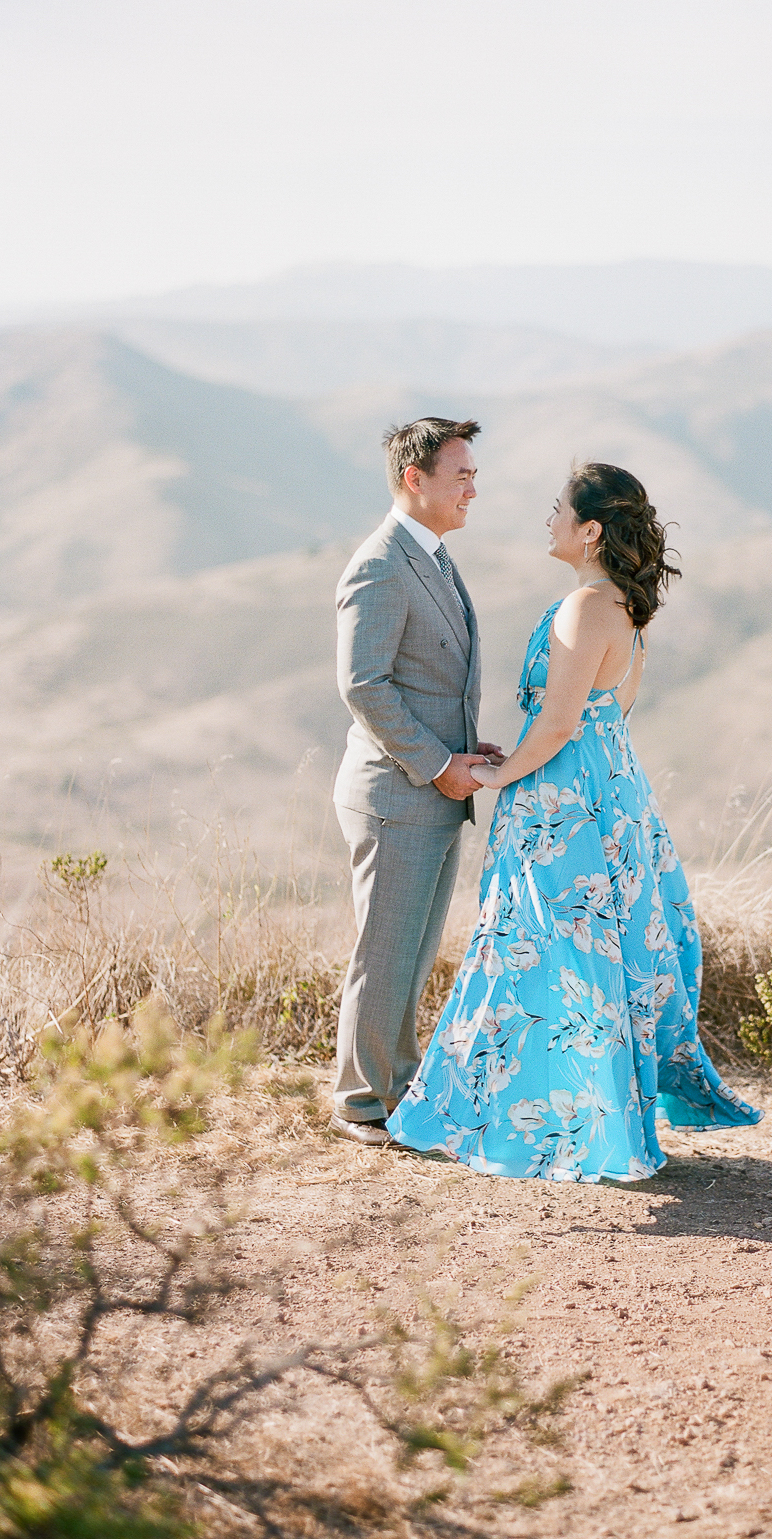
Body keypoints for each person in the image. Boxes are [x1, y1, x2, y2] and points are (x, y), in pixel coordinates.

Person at [388, 462, 762, 1180]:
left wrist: (501, 772)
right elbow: (608, 715)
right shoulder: (620, 606)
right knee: (584, 956)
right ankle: (581, 1117)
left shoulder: (588, 607)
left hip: (564, 805)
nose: (548, 518)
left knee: (536, 948)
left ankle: (508, 1117)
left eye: (557, 508)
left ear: (589, 530)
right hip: (607, 793)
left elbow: (559, 723)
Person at [330, 417, 504, 1146]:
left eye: (472, 472)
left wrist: (464, 749)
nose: (473, 486)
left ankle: (397, 1089)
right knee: (385, 952)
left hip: (434, 790)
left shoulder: (430, 556)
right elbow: (364, 685)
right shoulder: (379, 563)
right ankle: (361, 1104)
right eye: (460, 473)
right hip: (398, 794)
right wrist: (437, 764)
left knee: (410, 952)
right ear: (415, 479)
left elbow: (425, 677)